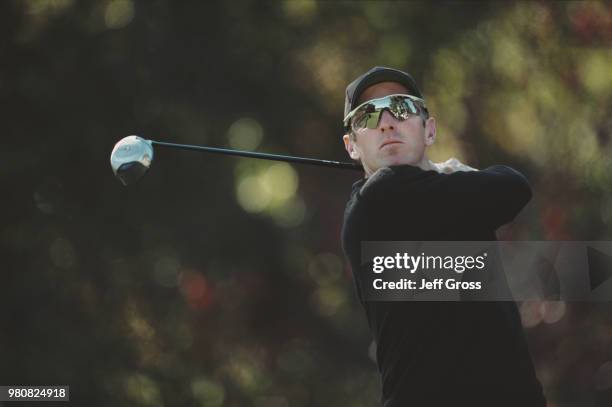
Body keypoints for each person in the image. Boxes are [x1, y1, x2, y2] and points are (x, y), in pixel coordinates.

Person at [340, 66, 546, 406]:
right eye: (368, 115)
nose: (387, 122)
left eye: (402, 107)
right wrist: (457, 172)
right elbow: (513, 187)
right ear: (352, 146)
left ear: (429, 129)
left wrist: (449, 176)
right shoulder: (373, 202)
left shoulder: (445, 193)